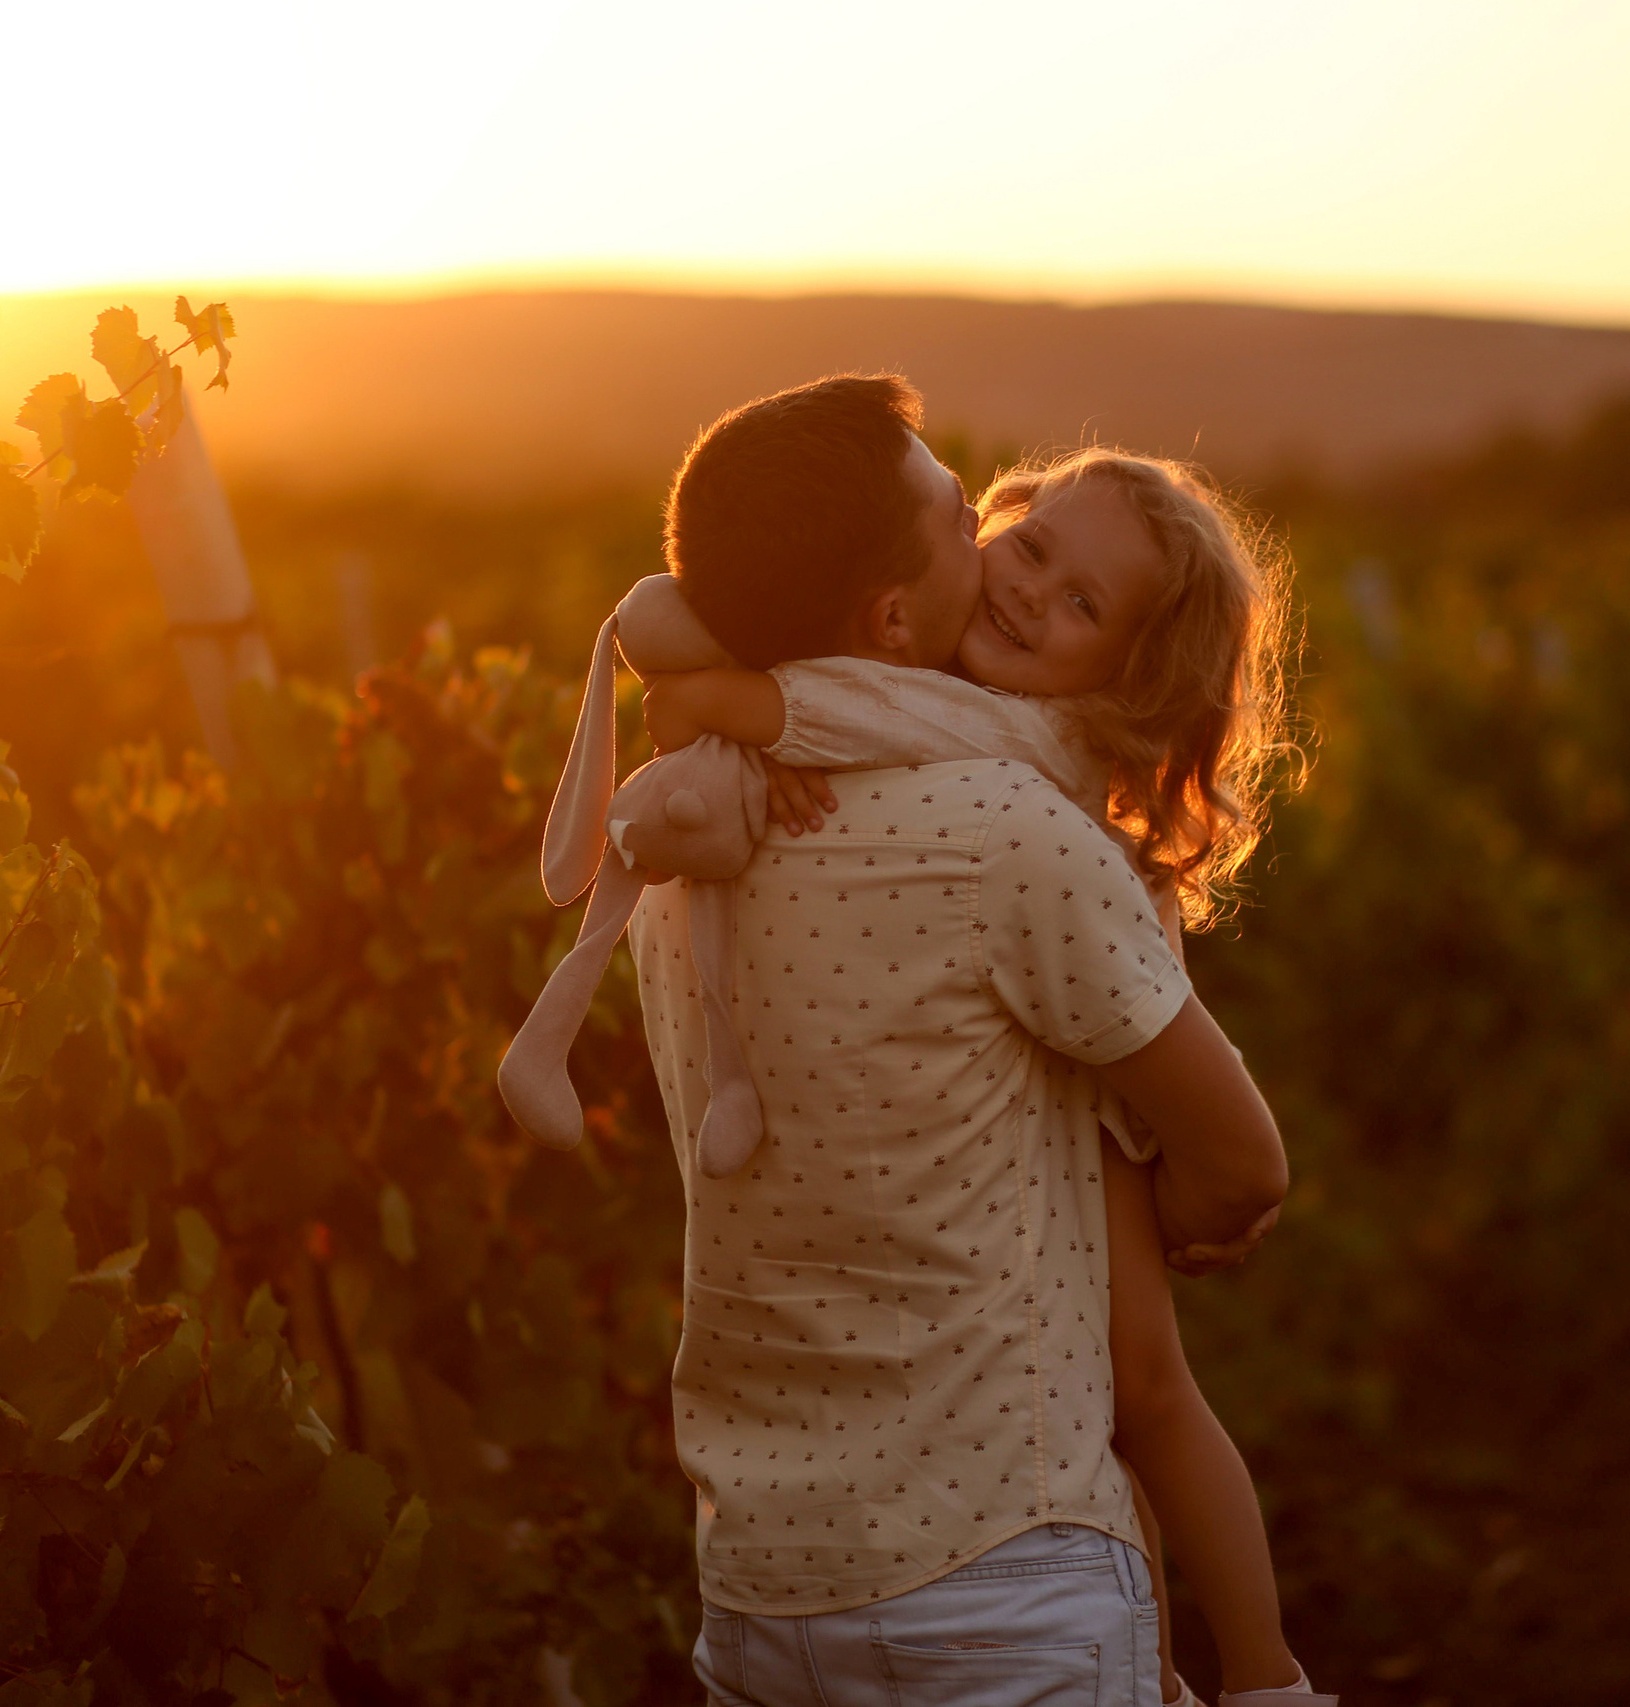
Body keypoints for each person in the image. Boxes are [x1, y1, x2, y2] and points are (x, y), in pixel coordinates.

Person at [626, 373, 1291, 1706]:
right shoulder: (1014, 834)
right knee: (1146, 1390)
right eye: (995, 533)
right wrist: (1186, 1208)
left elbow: (681, 655)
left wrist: (716, 705)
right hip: (992, 1586)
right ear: (893, 600)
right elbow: (1244, 1167)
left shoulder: (680, 853)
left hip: (760, 1593)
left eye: (1080, 598)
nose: (1014, 580)